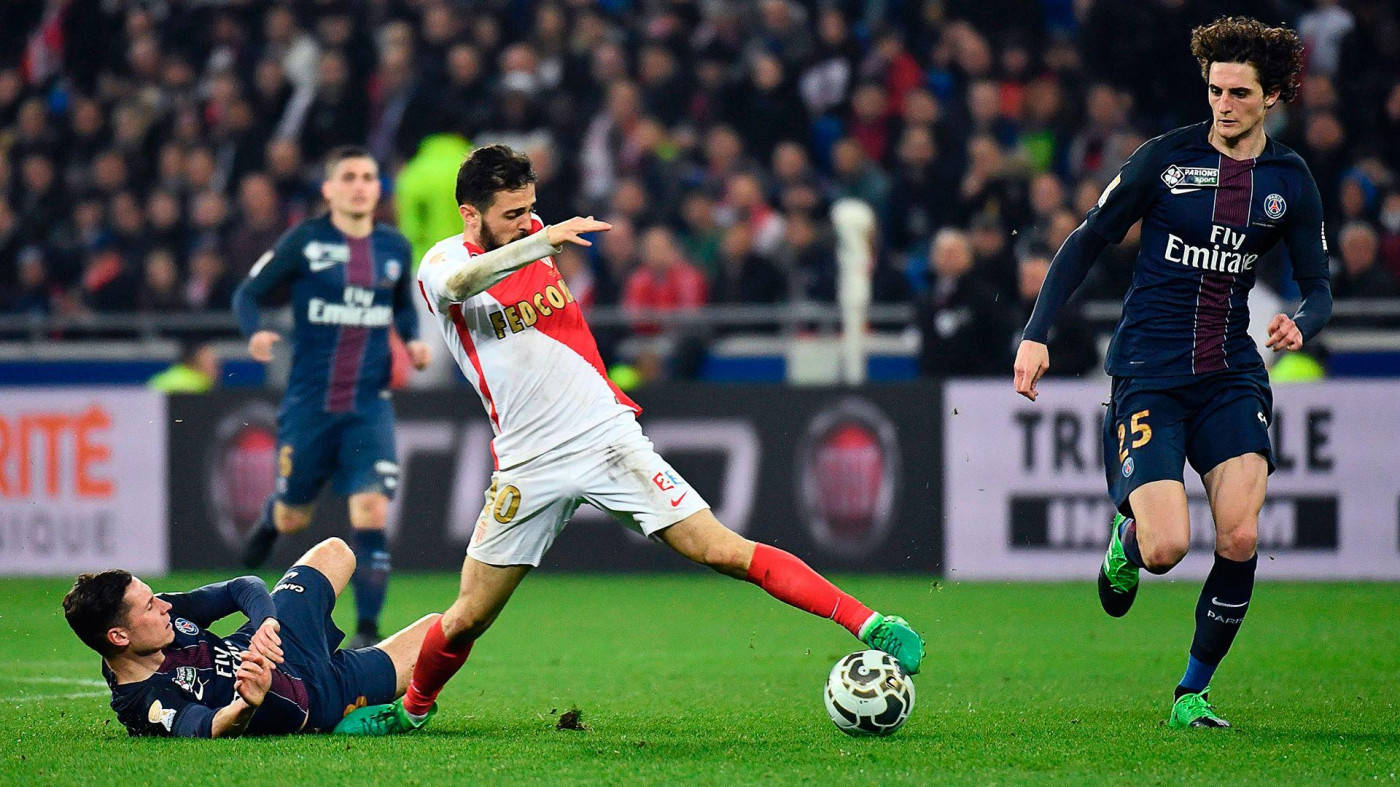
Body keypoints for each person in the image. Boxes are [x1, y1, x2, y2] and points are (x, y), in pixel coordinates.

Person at [344, 144, 924, 734]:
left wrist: (536, 236)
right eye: (512, 214)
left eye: (531, 210)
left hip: (605, 439)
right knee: (467, 617)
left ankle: (871, 623)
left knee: (721, 548)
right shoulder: (440, 264)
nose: (528, 221)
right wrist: (540, 242)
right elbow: (465, 281)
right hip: (526, 463)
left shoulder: (537, 232)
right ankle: (410, 712)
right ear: (472, 215)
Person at [1012, 17, 1331, 729]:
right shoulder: (1164, 159)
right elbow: (1086, 238)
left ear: (1273, 94)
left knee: (1240, 537)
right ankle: (1125, 541)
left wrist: (1301, 323)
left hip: (1230, 375)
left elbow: (1319, 284)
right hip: (1149, 373)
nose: (1223, 104)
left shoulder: (1290, 180)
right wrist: (1036, 334)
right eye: (1215, 88)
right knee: (1165, 548)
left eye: (1240, 92)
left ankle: (1192, 693)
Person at [232, 146, 433, 649]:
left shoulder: (393, 247)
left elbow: (402, 308)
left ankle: (367, 630)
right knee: (294, 517)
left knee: (370, 511)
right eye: (349, 177)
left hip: (369, 405)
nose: (361, 185)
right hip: (310, 405)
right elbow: (248, 294)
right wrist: (253, 332)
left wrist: (411, 339)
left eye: (369, 176)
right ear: (329, 188)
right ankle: (273, 513)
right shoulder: (305, 240)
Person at [61, 537, 438, 737]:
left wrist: (266, 623)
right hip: (316, 693)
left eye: (153, 596)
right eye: (147, 606)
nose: (163, 606)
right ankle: (388, 715)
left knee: (336, 552)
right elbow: (204, 728)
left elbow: (242, 587)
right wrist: (245, 704)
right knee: (442, 633)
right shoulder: (145, 702)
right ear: (119, 636)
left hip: (276, 639)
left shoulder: (160, 619)